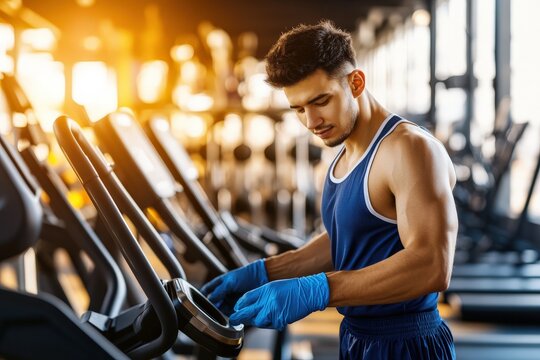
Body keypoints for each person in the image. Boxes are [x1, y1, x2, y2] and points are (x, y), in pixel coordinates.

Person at [202, 20, 457, 359]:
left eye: (321, 101)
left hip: (406, 343)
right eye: (299, 109)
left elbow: (432, 265)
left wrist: (318, 290)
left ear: (356, 82)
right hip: (356, 337)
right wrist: (264, 272)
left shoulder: (408, 149)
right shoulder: (342, 155)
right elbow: (346, 239)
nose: (311, 122)